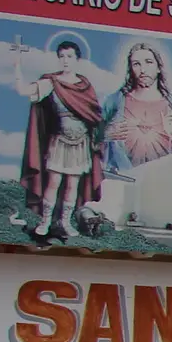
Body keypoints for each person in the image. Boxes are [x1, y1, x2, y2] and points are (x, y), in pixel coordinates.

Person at [15, 39, 104, 241]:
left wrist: (96, 139)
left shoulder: (85, 86)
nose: (65, 60)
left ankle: (65, 222)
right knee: (54, 182)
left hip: (80, 143)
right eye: (62, 56)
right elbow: (24, 91)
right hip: (60, 141)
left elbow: (95, 116)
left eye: (69, 56)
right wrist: (17, 67)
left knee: (72, 185)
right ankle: (45, 221)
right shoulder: (51, 83)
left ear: (77, 59)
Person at [101, 41, 172, 170]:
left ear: (158, 68)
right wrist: (104, 134)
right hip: (122, 179)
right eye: (136, 64)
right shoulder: (115, 101)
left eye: (148, 62)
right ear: (130, 69)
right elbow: (90, 137)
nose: (143, 70)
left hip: (161, 180)